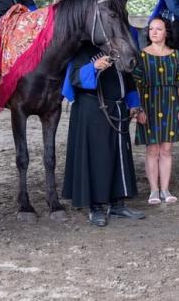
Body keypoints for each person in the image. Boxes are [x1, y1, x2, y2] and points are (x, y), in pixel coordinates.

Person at [62, 43, 146, 226]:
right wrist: (93, 67)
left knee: (119, 156)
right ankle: (96, 207)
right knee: (96, 160)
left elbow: (128, 79)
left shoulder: (118, 49)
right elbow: (74, 78)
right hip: (93, 110)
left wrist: (133, 103)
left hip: (118, 109)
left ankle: (117, 204)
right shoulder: (83, 51)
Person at [132, 17, 179, 204]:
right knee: (152, 150)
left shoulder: (176, 56)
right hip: (148, 105)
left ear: (166, 32)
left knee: (166, 149)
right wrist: (139, 109)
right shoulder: (141, 55)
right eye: (151, 29)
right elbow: (136, 85)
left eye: (159, 29)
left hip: (170, 104)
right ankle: (153, 190)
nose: (154, 32)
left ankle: (165, 189)